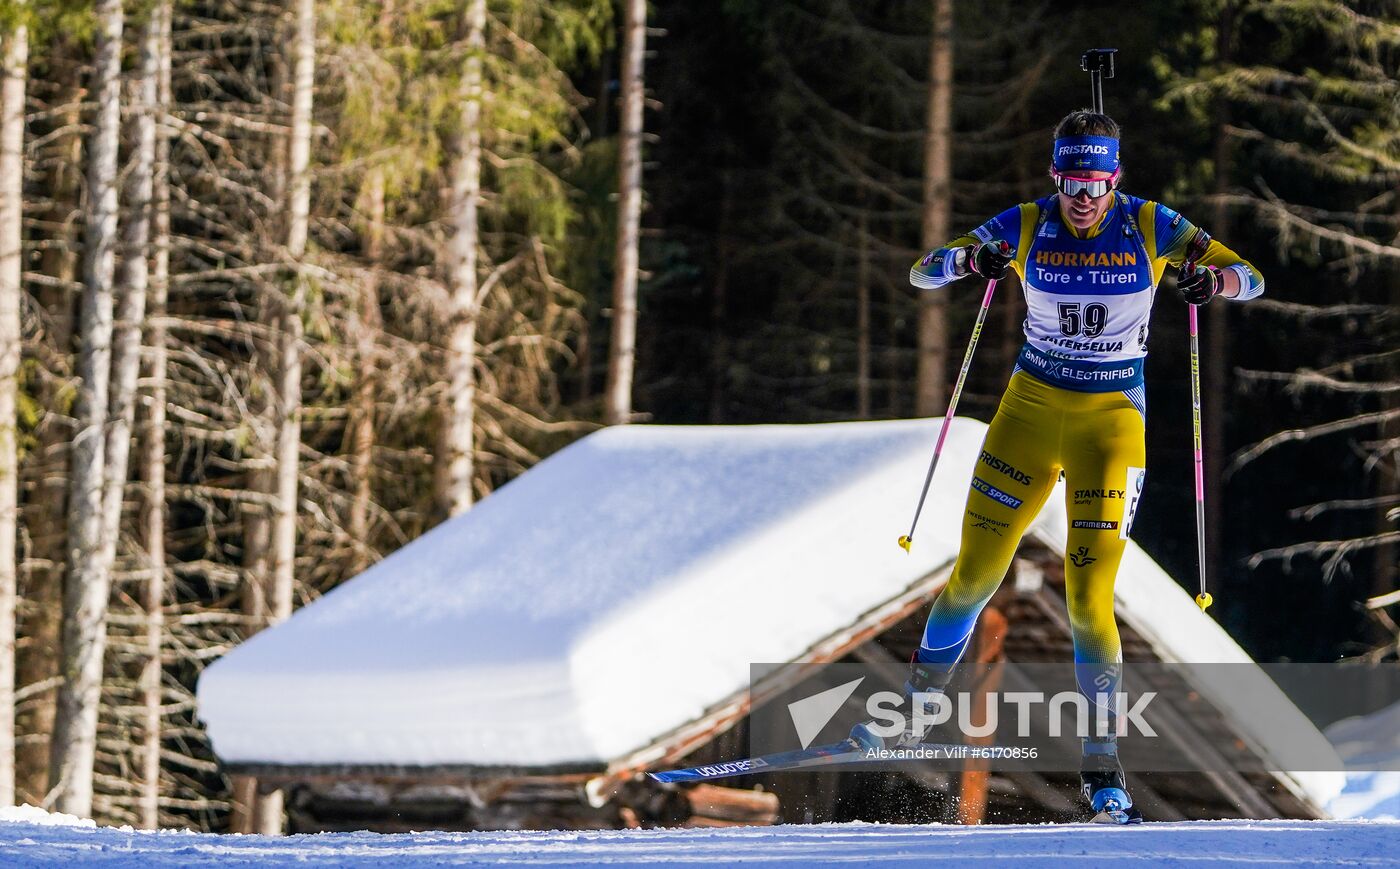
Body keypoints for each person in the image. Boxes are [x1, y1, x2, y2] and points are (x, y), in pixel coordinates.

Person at [850, 110, 1264, 821]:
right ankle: (910, 715)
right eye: (1071, 180)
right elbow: (923, 270)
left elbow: (1249, 275)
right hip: (1029, 414)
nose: (1082, 197)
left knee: (1087, 596)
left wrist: (1214, 287)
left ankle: (1104, 771)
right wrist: (969, 259)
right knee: (974, 573)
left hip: (1110, 426)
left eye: (1095, 182)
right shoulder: (1025, 222)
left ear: (1115, 177)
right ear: (1055, 175)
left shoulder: (1151, 224)